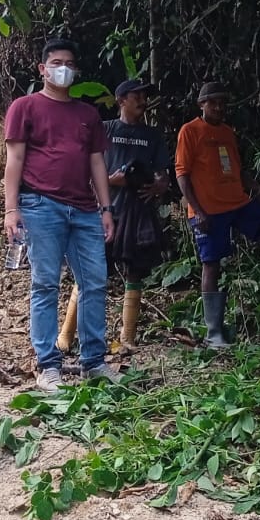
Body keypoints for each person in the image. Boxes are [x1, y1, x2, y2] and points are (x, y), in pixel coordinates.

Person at [4, 37, 119, 391]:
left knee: (95, 282)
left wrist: (106, 208)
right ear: (42, 69)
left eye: (68, 63)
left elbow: (97, 163)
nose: (63, 69)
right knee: (45, 284)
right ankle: (48, 365)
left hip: (84, 209)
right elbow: (15, 160)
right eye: (56, 63)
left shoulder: (87, 115)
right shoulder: (24, 107)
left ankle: (94, 363)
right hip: (40, 206)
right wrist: (11, 209)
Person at [57, 78, 174, 353]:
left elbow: (164, 174)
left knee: (135, 272)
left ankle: (127, 337)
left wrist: (159, 184)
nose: (143, 101)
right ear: (122, 100)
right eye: (136, 96)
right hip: (104, 213)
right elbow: (84, 170)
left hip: (138, 214)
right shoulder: (105, 129)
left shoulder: (153, 135)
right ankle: (66, 334)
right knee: (89, 273)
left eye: (144, 96)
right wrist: (112, 180)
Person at [175, 81, 260, 347]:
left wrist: (255, 187)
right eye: (213, 102)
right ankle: (214, 332)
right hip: (208, 210)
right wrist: (198, 211)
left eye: (222, 103)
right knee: (211, 264)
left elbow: (236, 168)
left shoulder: (227, 132)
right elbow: (182, 174)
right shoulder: (190, 131)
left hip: (237, 203)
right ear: (201, 105)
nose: (218, 107)